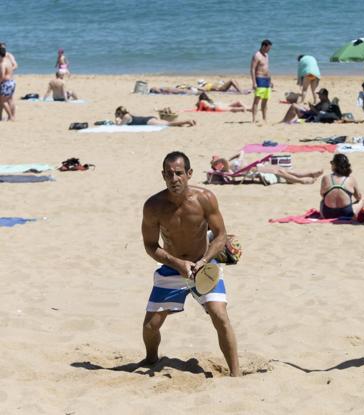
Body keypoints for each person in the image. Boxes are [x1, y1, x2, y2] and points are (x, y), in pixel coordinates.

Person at [141, 151, 240, 376]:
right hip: (172, 267)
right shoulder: (153, 206)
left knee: (220, 316)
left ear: (189, 174)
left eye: (178, 173)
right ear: (163, 175)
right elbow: (150, 245)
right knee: (150, 327)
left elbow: (221, 234)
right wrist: (177, 263)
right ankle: (150, 359)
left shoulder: (205, 198)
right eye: (168, 174)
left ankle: (236, 374)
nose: (174, 179)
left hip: (204, 265)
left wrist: (204, 260)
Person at [212, 151, 323, 184]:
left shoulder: (230, 162)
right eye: (215, 159)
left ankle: (310, 174)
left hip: (255, 167)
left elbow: (241, 152)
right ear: (217, 164)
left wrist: (230, 157)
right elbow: (224, 160)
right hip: (252, 171)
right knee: (279, 171)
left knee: (286, 170)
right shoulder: (226, 168)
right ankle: (301, 181)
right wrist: (219, 160)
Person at [319, 154, 364, 219]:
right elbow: (358, 197)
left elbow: (322, 194)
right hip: (347, 213)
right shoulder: (351, 179)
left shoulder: (325, 178)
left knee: (323, 200)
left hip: (327, 214)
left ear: (334, 165)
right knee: (362, 200)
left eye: (332, 163)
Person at [250, 39, 272, 123]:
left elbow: (267, 68)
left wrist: (270, 80)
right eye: (268, 48)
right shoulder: (257, 55)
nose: (269, 50)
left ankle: (264, 118)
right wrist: (254, 82)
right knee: (257, 100)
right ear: (263, 46)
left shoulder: (266, 55)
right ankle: (254, 119)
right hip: (259, 79)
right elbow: (252, 69)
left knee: (265, 100)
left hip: (267, 79)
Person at [114, 106, 196, 127]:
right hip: (148, 119)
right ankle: (184, 122)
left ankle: (187, 121)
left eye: (117, 114)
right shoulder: (128, 115)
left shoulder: (126, 117)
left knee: (168, 124)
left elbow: (120, 126)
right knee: (169, 123)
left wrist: (117, 120)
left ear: (120, 113)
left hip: (148, 122)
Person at [0, 43, 16, 121]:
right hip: (12, 82)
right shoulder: (8, 60)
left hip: (6, 83)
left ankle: (10, 117)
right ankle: (12, 116)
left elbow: (2, 76)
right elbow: (14, 67)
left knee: (2, 101)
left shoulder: (2, 64)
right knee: (10, 100)